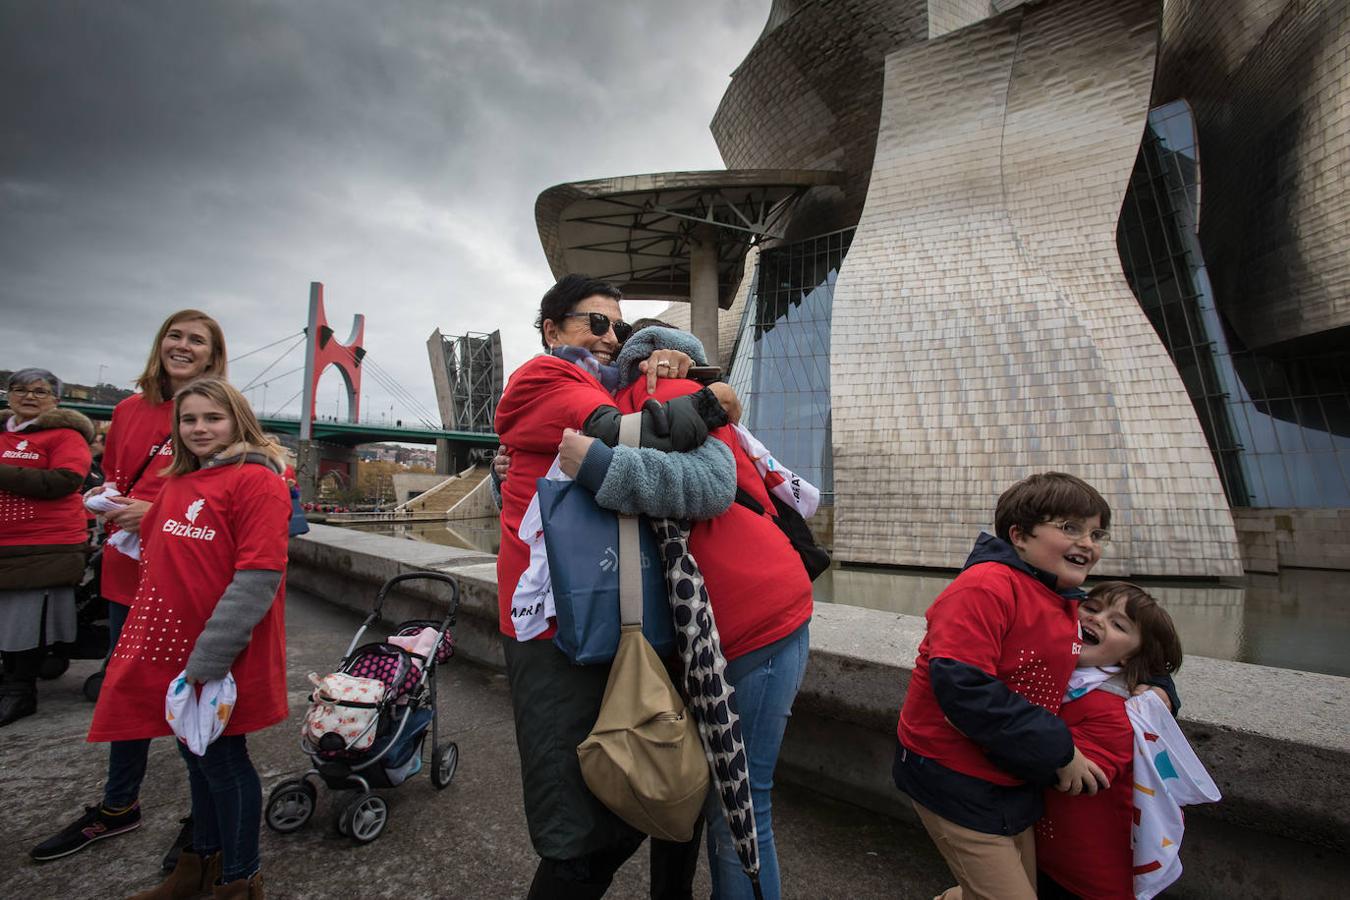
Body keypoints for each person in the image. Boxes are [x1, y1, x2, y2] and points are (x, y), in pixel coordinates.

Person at [496, 274, 741, 900]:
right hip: (551, 624)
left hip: (602, 610)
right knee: (573, 828)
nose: (609, 337)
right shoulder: (546, 378)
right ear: (552, 331)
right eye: (594, 323)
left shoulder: (602, 382)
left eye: (618, 326)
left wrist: (676, 365)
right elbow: (627, 434)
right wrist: (714, 403)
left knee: (642, 784)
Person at [601, 325, 813, 900]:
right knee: (744, 804)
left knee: (732, 804)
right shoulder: (677, 399)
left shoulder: (637, 404)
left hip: (738, 617)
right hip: (760, 609)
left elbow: (710, 487)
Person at [31, 309, 227, 865]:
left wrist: (157, 509)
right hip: (125, 572)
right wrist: (108, 503)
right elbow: (116, 477)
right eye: (175, 335)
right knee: (126, 689)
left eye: (197, 340)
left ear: (213, 355)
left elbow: (227, 491)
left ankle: (203, 823)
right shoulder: (126, 410)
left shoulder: (217, 413)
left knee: (193, 699)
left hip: (183, 578)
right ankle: (119, 806)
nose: (182, 346)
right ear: (160, 342)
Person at [92, 377, 289, 899]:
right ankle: (199, 862)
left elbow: (258, 577)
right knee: (195, 761)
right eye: (189, 419)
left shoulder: (258, 482)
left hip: (218, 654)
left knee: (224, 763)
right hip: (171, 650)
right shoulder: (177, 483)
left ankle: (240, 878)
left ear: (238, 421)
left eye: (213, 418)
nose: (200, 429)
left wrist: (211, 658)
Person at [892, 472, 1117, 900]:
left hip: (1009, 774)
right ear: (1019, 535)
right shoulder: (986, 586)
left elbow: (1126, 640)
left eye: (1096, 532)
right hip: (952, 774)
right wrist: (1060, 750)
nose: (1088, 543)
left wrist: (1159, 681)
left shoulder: (1061, 595)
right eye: (1069, 528)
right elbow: (964, 686)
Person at [1034, 582, 1183, 900]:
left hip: (1087, 874)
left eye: (1118, 624)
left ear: (1132, 656)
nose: (1098, 619)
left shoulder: (1116, 710)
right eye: (1091, 608)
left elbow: (1081, 776)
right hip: (1051, 854)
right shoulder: (1062, 672)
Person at [0, 368, 95, 726]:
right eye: (20, 389)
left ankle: (20, 689)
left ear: (56, 399)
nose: (29, 396)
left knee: (25, 617)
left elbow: (65, 480)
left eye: (40, 391)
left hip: (41, 544)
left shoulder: (65, 436)